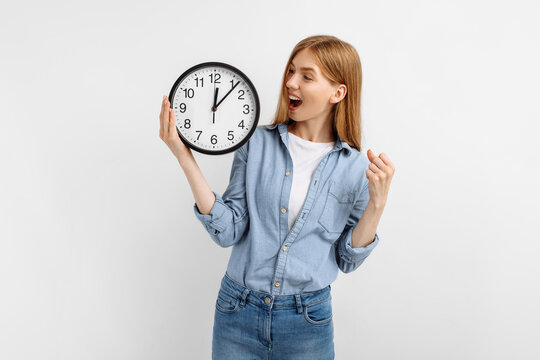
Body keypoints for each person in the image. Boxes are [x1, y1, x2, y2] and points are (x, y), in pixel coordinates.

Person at [159, 34, 395, 360]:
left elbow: (347, 259)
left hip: (307, 321)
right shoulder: (255, 143)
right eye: (291, 71)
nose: (291, 82)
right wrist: (184, 157)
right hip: (237, 311)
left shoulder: (356, 168)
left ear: (338, 92)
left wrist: (377, 204)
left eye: (306, 76)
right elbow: (227, 231)